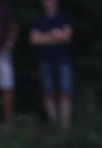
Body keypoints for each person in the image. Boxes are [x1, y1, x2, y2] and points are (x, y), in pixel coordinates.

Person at [29, 0, 73, 130]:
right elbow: (33, 39)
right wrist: (53, 35)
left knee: (65, 92)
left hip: (63, 60)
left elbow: (66, 36)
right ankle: (54, 126)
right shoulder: (39, 19)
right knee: (48, 93)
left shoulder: (64, 16)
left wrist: (43, 38)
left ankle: (65, 127)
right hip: (45, 61)